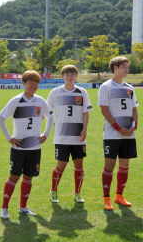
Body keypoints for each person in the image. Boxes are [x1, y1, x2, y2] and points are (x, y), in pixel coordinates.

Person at [0, 70, 53, 218]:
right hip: (19, 147)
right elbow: (0, 118)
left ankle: (23, 207)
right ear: (24, 83)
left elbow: (50, 116)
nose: (33, 85)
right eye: (30, 82)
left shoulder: (41, 101)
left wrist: (46, 134)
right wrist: (9, 138)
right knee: (14, 177)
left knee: (28, 177)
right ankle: (4, 208)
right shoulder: (16, 100)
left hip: (35, 147)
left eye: (36, 83)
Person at [46, 65, 93, 203]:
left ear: (76, 76)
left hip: (78, 136)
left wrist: (85, 130)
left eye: (72, 74)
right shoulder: (55, 92)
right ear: (62, 76)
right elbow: (47, 112)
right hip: (61, 136)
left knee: (79, 165)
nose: (70, 76)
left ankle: (77, 193)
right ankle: (53, 191)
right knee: (61, 165)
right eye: (67, 74)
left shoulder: (82, 92)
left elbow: (86, 113)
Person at [98, 56, 138, 210]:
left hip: (129, 133)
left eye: (127, 67)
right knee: (109, 164)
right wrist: (117, 127)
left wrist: (134, 126)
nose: (127, 70)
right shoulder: (105, 87)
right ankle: (106, 198)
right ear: (115, 67)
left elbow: (134, 109)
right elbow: (104, 110)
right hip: (112, 134)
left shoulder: (130, 87)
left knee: (125, 165)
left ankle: (119, 195)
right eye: (124, 67)